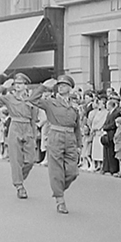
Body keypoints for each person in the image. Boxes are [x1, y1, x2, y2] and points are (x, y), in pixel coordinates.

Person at [28, 75, 81, 214]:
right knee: (56, 170)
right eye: (60, 85)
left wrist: (79, 145)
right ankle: (60, 200)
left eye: (65, 85)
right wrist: (43, 87)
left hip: (70, 138)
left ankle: (58, 188)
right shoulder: (50, 102)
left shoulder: (74, 106)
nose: (61, 86)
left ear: (70, 88)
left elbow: (77, 127)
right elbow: (32, 99)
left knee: (73, 172)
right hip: (56, 135)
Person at [0, 73, 38, 199]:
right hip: (15, 126)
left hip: (27, 127)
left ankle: (19, 177)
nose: (18, 86)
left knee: (30, 160)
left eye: (20, 84)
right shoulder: (9, 98)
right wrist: (2, 87)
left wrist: (33, 133)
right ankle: (19, 186)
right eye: (16, 84)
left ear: (26, 86)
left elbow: (33, 118)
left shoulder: (31, 99)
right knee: (16, 159)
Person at [102, 99, 121, 175]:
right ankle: (107, 168)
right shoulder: (109, 113)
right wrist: (104, 126)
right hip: (107, 133)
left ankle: (113, 169)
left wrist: (106, 127)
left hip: (112, 133)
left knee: (111, 152)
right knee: (106, 152)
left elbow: (113, 124)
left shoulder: (116, 113)